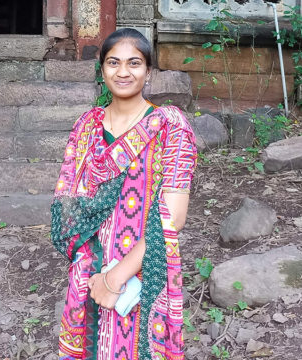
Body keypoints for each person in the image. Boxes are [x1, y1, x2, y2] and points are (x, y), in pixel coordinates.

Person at [52, 28, 198, 360]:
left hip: (143, 270)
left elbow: (173, 216)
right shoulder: (86, 127)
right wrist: (93, 269)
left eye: (134, 63)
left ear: (148, 71)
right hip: (89, 271)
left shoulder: (169, 127)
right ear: (101, 69)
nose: (123, 72)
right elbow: (68, 206)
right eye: (113, 62)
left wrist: (116, 277)